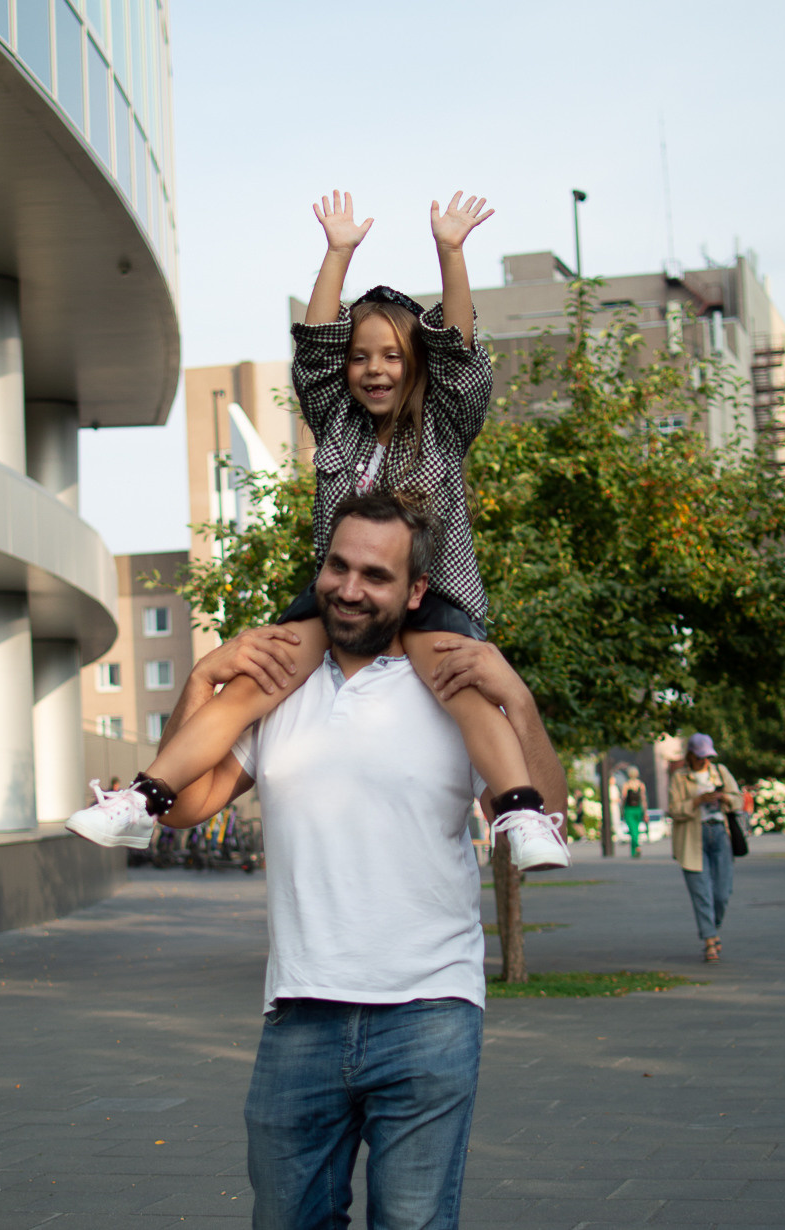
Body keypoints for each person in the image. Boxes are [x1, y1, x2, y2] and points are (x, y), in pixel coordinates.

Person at [67, 189, 570, 872]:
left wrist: (451, 252)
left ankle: (522, 811)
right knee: (255, 681)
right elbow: (315, 350)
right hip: (337, 599)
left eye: (392, 357)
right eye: (361, 358)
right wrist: (336, 255)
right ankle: (142, 799)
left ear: (417, 365)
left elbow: (459, 356)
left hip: (436, 594)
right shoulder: (337, 421)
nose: (374, 370)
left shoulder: (442, 424)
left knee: (464, 685)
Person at [155, 495, 569, 1225]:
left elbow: (542, 818)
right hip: (300, 1012)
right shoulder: (279, 686)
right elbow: (185, 805)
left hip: (429, 1013)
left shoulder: (450, 685)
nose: (349, 588)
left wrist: (522, 704)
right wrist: (199, 683)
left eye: (375, 575)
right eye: (338, 566)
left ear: (414, 591)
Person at [668, 733, 743, 962]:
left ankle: (712, 927)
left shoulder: (720, 772)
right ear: (690, 755)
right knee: (701, 893)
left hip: (720, 834)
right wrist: (698, 800)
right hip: (692, 838)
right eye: (700, 757)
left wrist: (724, 798)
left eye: (708, 756)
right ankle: (710, 939)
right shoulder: (679, 777)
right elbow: (674, 810)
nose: (704, 761)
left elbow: (739, 800)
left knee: (722, 893)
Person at [621, 765, 648, 857]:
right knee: (635, 829)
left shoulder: (626, 785)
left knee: (632, 830)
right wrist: (645, 812)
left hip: (629, 809)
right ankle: (634, 851)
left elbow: (623, 798)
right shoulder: (641, 785)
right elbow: (643, 799)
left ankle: (636, 846)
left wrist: (622, 809)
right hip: (638, 809)